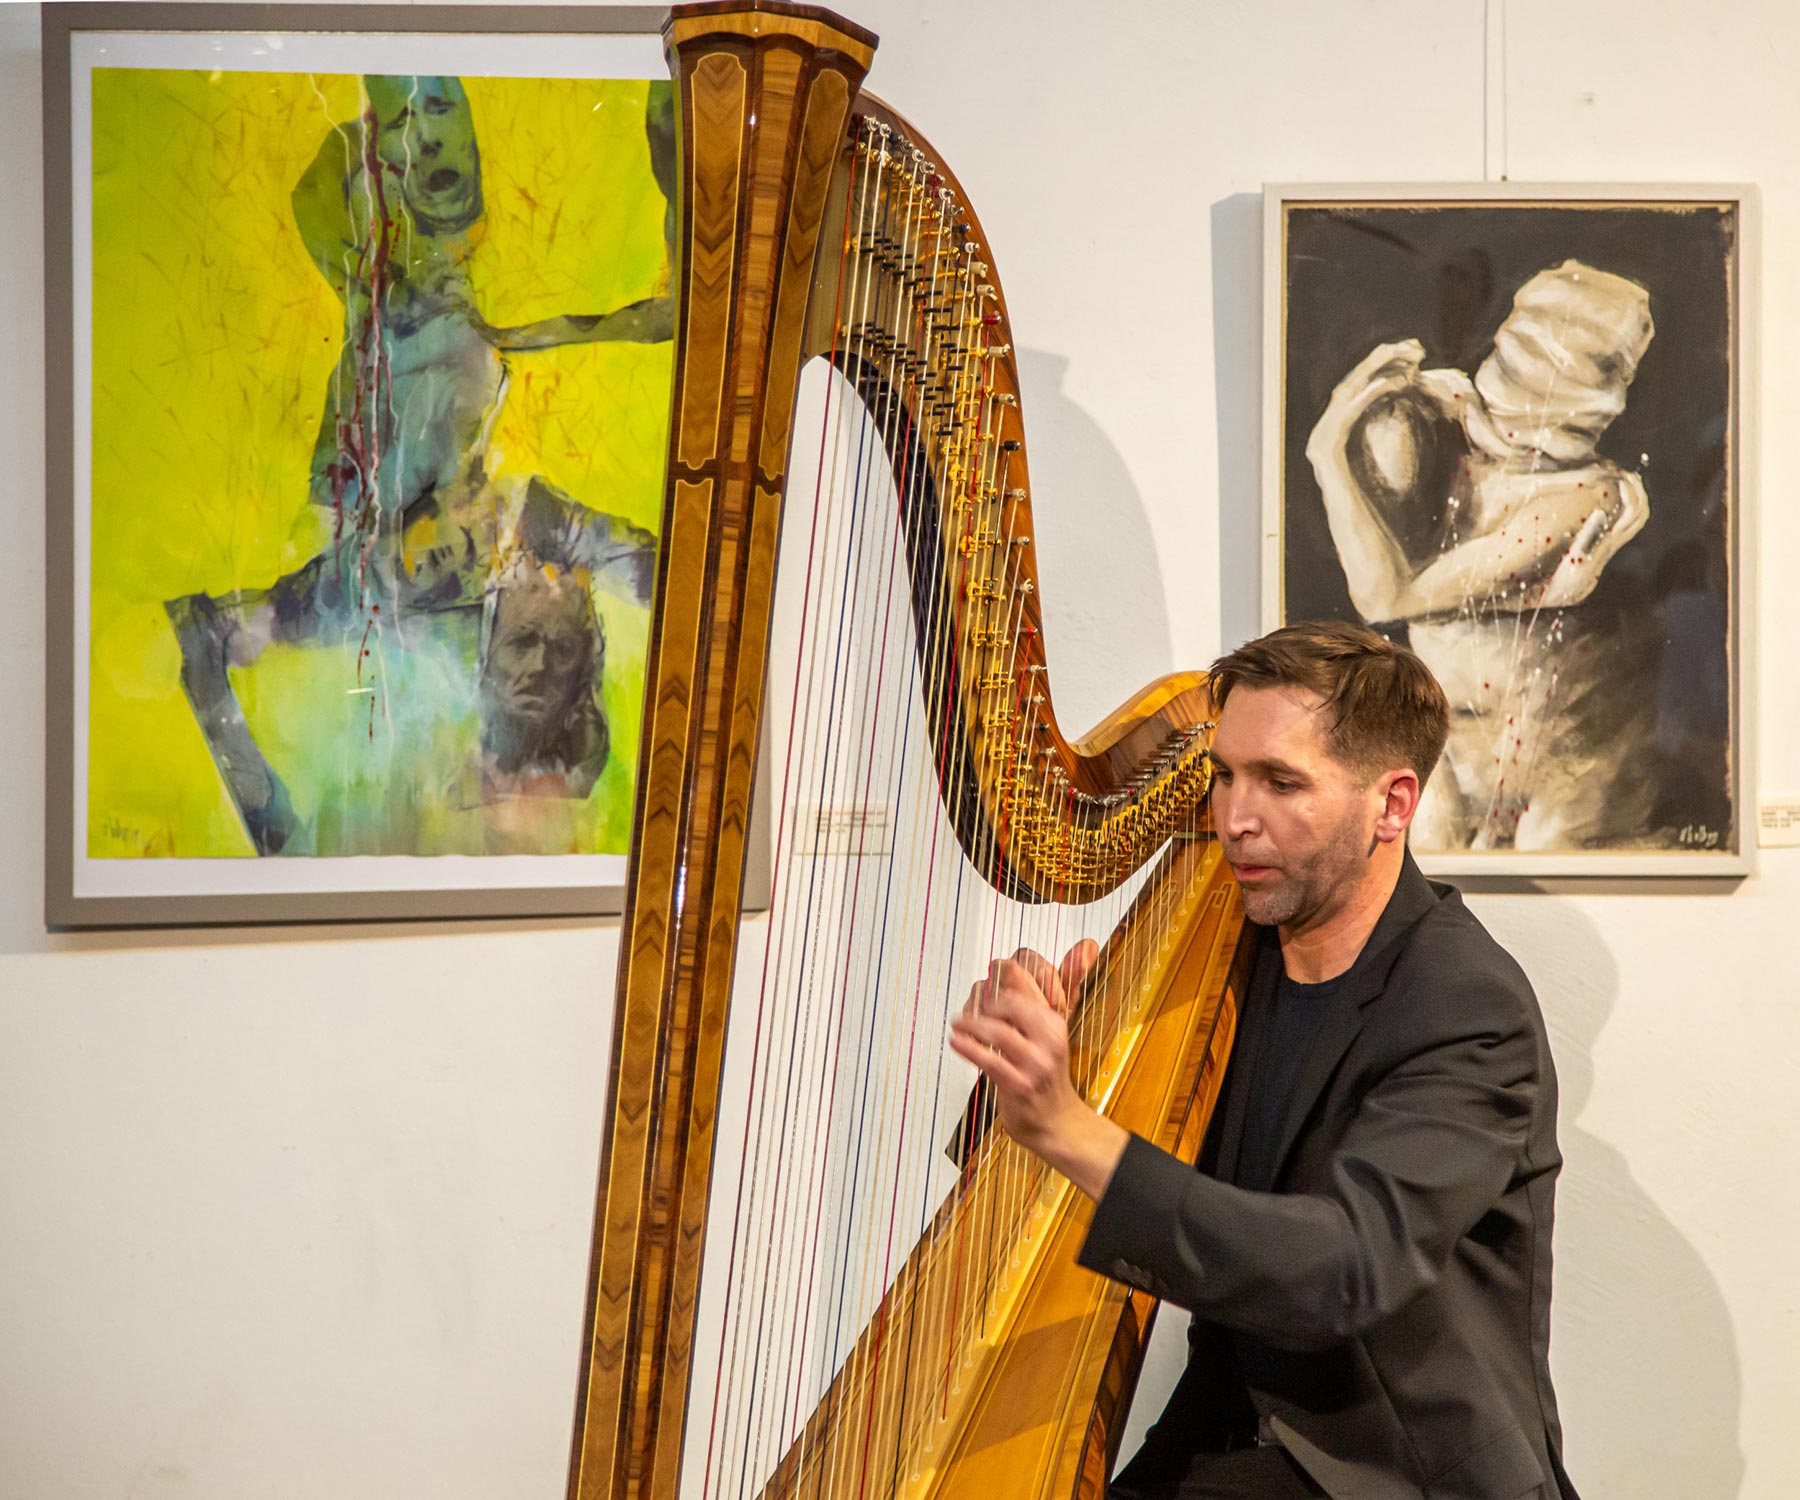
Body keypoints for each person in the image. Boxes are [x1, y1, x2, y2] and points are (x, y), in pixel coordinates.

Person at [948, 621, 1576, 1500]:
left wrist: (1069, 1127)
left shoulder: (1467, 1008)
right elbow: (1051, 1184)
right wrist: (1033, 1065)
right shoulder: (1230, 959)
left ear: (1392, 804)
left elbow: (1344, 1269)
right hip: (1228, 1436)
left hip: (1391, 1471)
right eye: (1224, 776)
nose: (1235, 819)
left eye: (1280, 782)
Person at [1303, 260, 1657, 852]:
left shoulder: (1583, 496)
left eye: (1538, 375)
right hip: (1441, 755)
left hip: (1541, 778)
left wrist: (1327, 451)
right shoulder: (1450, 438)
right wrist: (1398, 413)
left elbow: (1385, 596)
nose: (1507, 388)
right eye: (1510, 360)